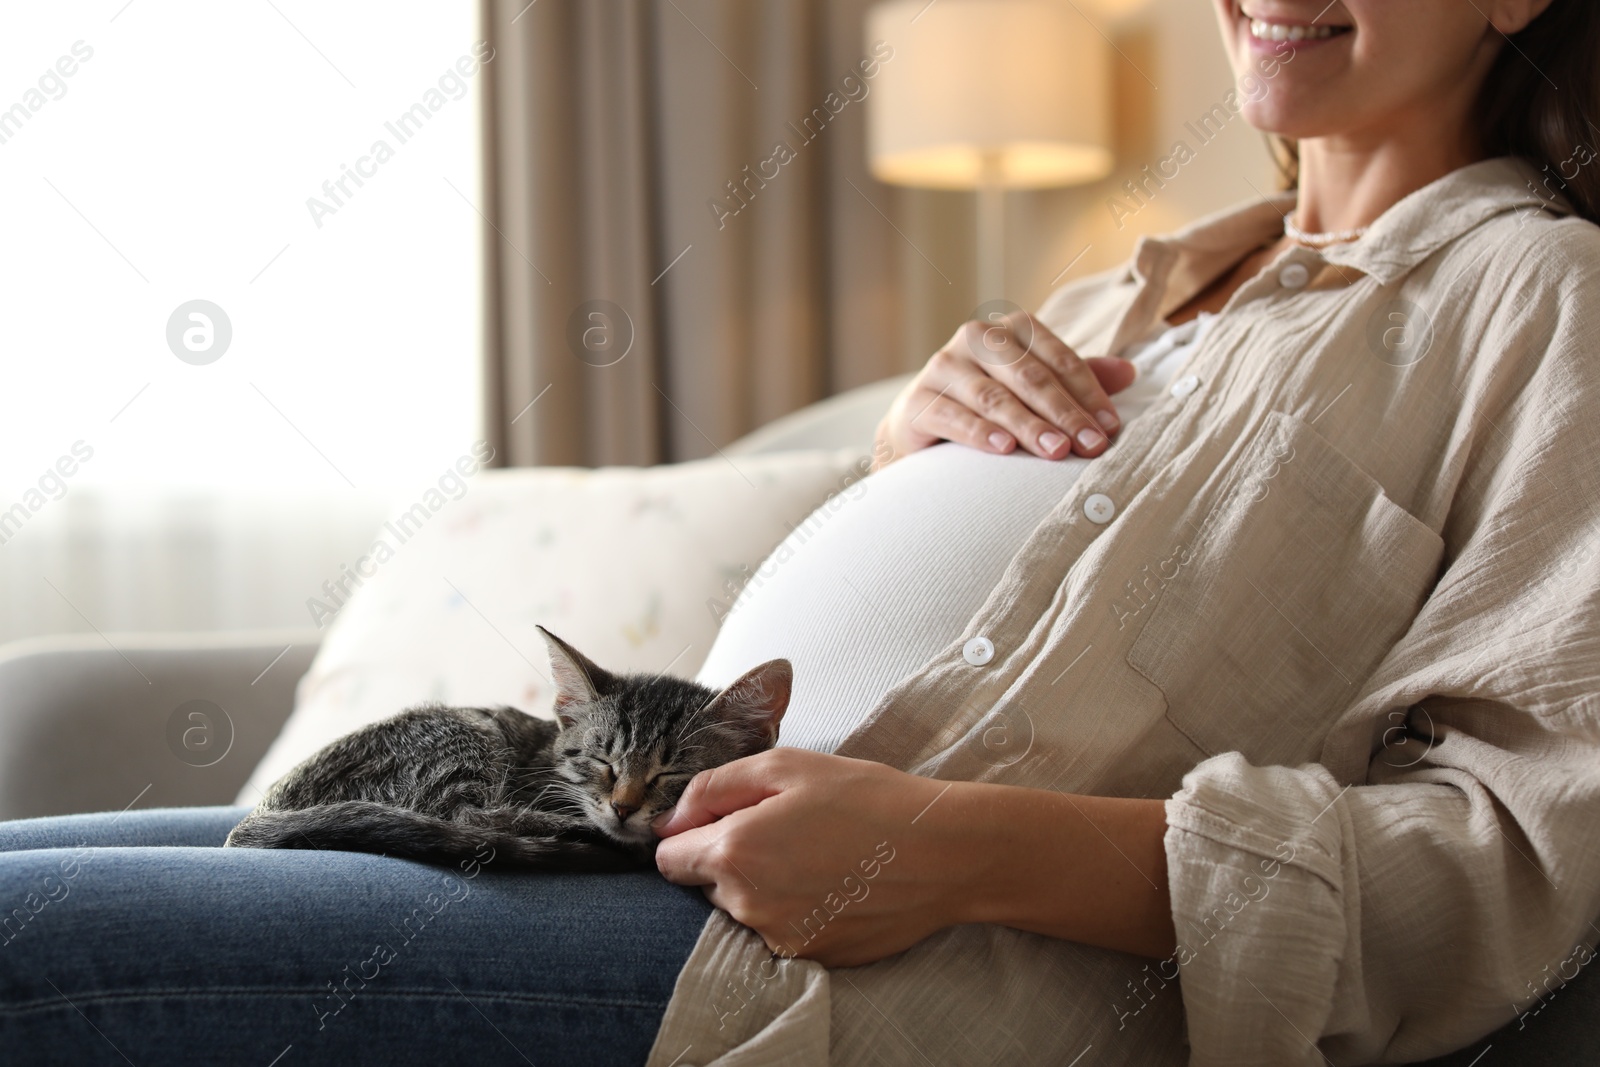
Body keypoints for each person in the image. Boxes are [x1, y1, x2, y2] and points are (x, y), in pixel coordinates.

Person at [4, 1, 1599, 1065]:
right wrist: (906, 453)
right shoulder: (1124, 292)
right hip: (624, 856)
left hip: (853, 986)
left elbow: (1511, 867)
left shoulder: (1541, 301)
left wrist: (944, 846)